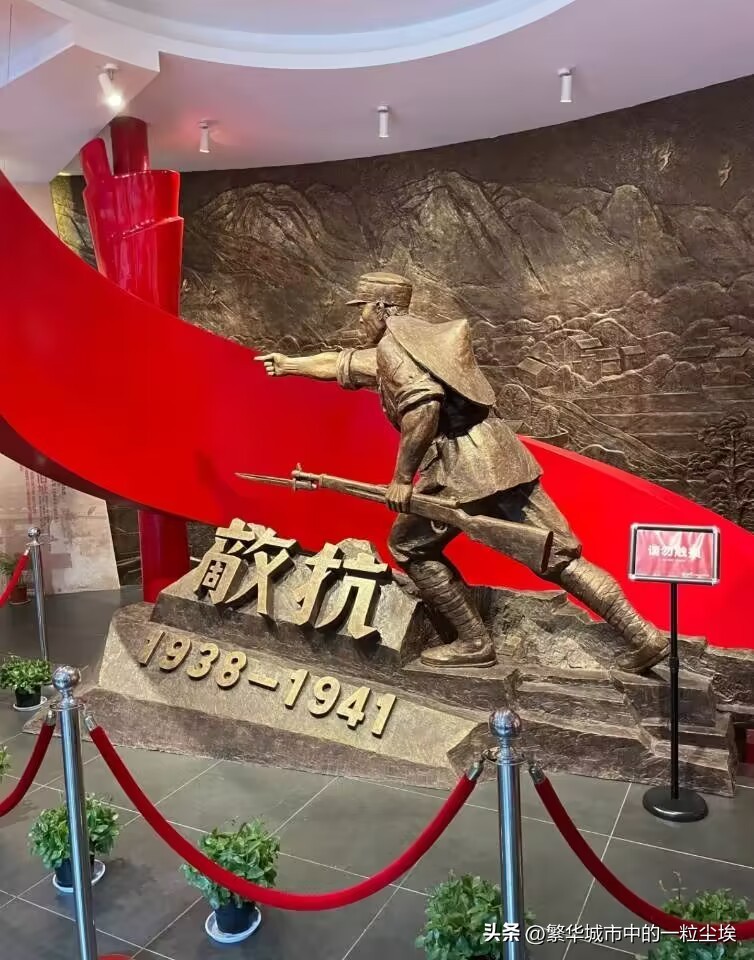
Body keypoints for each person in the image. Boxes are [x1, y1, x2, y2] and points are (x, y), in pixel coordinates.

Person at [258, 271, 670, 673]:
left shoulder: (396, 349)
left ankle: (474, 642)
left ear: (381, 308)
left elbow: (423, 408)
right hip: (503, 460)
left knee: (409, 546)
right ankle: (642, 635)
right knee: (558, 554)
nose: (359, 318)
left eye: (362, 309)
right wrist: (290, 364)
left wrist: (401, 480)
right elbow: (343, 363)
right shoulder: (418, 342)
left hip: (460, 468)